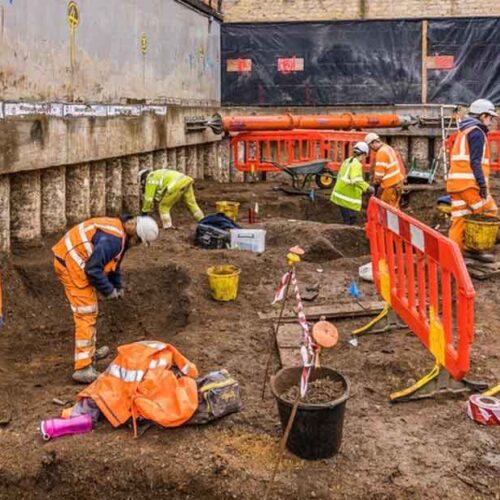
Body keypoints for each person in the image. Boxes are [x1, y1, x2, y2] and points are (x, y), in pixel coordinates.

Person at [52, 215, 159, 383]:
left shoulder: (120, 235)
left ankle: (88, 353)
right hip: (71, 263)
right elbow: (93, 269)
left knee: (90, 310)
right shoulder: (113, 240)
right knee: (86, 312)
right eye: (138, 241)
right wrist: (108, 290)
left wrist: (118, 285)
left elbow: (114, 263)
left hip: (74, 258)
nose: (137, 245)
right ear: (135, 235)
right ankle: (83, 368)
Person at [446, 98, 498, 254]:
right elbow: (475, 162)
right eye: (490, 117)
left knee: (459, 221)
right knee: (489, 212)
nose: (491, 121)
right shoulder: (477, 133)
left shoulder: (464, 131)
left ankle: (455, 256)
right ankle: (478, 249)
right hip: (470, 185)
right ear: (482, 115)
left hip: (456, 185)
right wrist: (482, 185)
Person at [139, 168, 204, 229]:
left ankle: (168, 227)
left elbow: (148, 199)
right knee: (192, 204)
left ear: (143, 180)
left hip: (176, 184)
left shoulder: (150, 179)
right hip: (186, 180)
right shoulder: (157, 174)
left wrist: (144, 212)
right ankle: (203, 221)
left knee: (163, 207)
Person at [331, 141, 374, 224]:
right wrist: (367, 187)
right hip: (346, 196)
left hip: (340, 193)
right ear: (364, 154)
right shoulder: (356, 164)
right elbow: (356, 180)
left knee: (348, 217)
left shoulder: (348, 161)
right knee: (350, 220)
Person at [365, 132, 405, 208]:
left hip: (390, 186)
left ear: (373, 143)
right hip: (397, 183)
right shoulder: (387, 147)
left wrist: (373, 185)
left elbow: (379, 176)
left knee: (388, 209)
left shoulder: (381, 153)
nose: (371, 149)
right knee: (395, 207)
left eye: (370, 146)